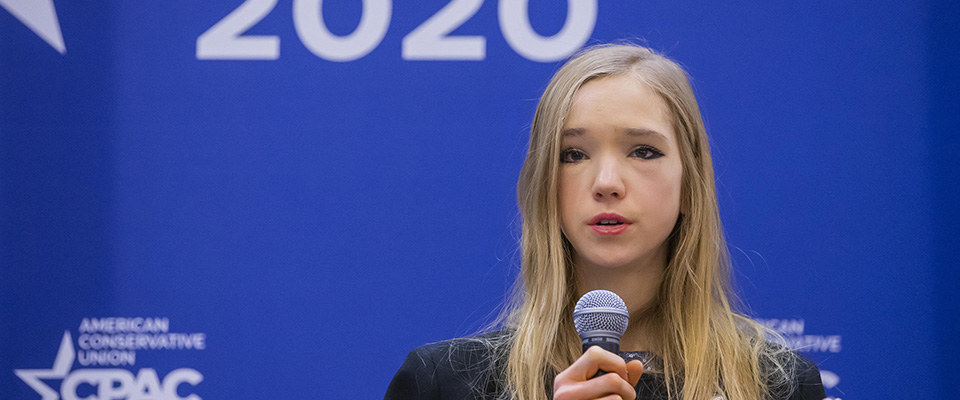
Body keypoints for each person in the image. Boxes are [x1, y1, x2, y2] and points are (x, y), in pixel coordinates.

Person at [385, 43, 828, 400]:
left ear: (690, 185)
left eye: (643, 151)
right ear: (543, 185)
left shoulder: (779, 387)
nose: (607, 183)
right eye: (573, 155)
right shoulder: (442, 384)